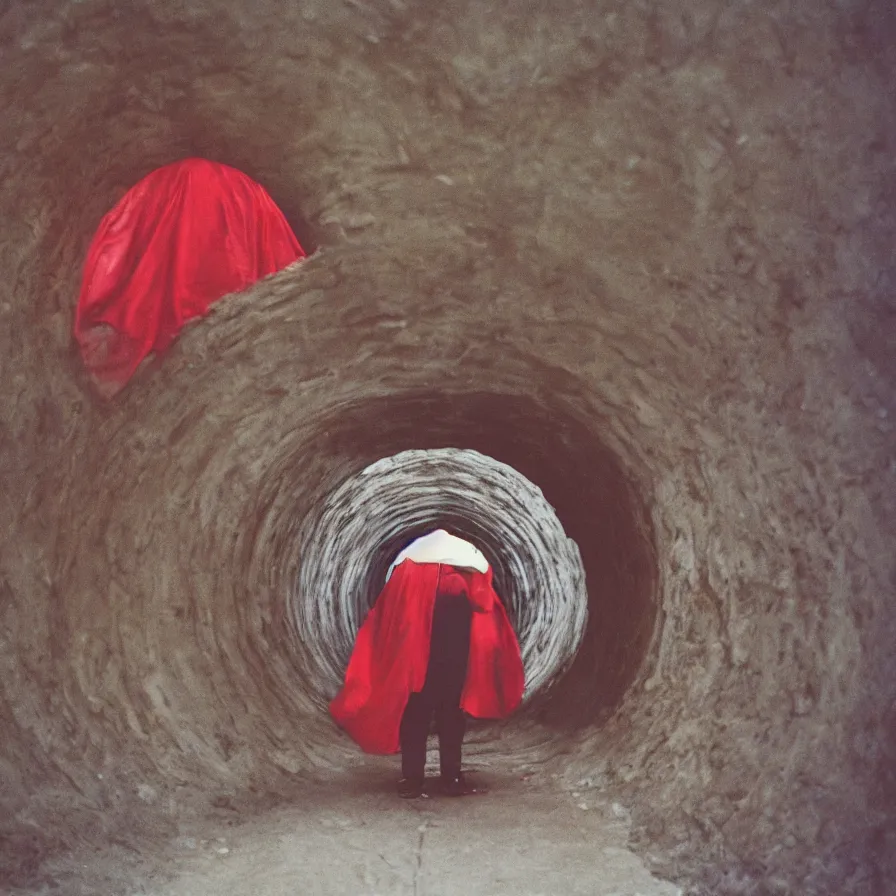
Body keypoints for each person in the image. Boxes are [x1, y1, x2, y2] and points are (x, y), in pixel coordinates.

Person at [330, 529, 525, 798]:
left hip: (416, 664)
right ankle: (452, 778)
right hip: (454, 661)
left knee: (415, 716)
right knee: (451, 717)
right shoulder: (465, 575)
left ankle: (412, 780)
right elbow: (484, 607)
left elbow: (388, 618)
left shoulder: (406, 573)